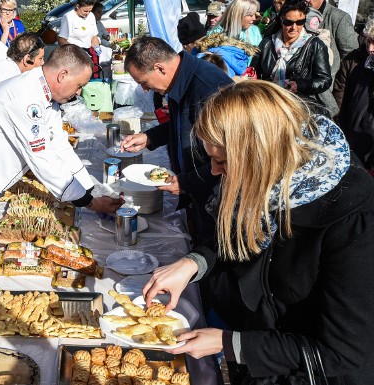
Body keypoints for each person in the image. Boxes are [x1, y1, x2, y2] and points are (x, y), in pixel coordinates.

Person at [142, 80, 374, 384]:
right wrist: (193, 263)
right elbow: (239, 235)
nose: (213, 171)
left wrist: (232, 344)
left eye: (222, 160)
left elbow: (343, 354)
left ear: (259, 155)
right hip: (260, 353)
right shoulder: (271, 181)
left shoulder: (354, 225)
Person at [0, 44, 124, 287]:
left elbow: (58, 144)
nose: (79, 93)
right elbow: (43, 159)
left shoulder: (41, 94)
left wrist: (91, 188)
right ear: (62, 75)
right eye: (79, 85)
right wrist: (89, 202)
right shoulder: (25, 96)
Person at [119, 36, 233, 246]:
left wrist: (186, 182)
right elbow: (181, 125)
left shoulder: (208, 88)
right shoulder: (179, 79)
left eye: (144, 82)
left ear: (160, 68)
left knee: (212, 252)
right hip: (197, 188)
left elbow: (233, 156)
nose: (145, 89)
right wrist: (150, 137)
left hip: (216, 195)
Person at [251, 0, 336, 116]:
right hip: (268, 105)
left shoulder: (315, 45)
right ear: (281, 20)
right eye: (288, 22)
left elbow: (324, 80)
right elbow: (253, 73)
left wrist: (300, 85)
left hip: (298, 108)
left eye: (300, 22)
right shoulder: (266, 43)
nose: (294, 27)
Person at [337, 15, 374, 170]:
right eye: (369, 41)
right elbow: (343, 97)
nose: (370, 48)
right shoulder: (360, 66)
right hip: (354, 142)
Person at [307, 0, 359, 77]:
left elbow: (351, 54)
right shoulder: (295, 13)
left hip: (324, 83)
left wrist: (334, 75)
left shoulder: (339, 18)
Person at [58, 0, 102, 76]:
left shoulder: (91, 16)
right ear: (77, 6)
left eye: (90, 11)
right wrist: (77, 51)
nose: (87, 13)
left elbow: (94, 36)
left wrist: (96, 47)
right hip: (74, 54)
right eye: (85, 11)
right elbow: (61, 39)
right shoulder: (68, 17)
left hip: (88, 53)